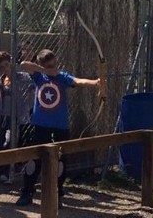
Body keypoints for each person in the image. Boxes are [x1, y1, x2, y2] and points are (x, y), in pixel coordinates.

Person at [16, 49, 102, 207]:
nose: (54, 67)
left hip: (60, 126)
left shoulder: (62, 77)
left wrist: (95, 83)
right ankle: (27, 192)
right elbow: (23, 64)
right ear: (42, 65)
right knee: (34, 159)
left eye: (55, 64)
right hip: (40, 125)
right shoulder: (39, 76)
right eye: (50, 65)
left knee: (60, 161)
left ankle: (57, 194)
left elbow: (78, 81)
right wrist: (45, 71)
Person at [0, 51, 34, 183]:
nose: (5, 68)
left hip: (18, 115)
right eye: (2, 67)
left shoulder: (22, 77)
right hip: (2, 116)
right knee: (0, 142)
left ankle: (15, 167)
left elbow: (33, 85)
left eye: (7, 64)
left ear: (11, 64)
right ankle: (3, 170)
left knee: (14, 140)